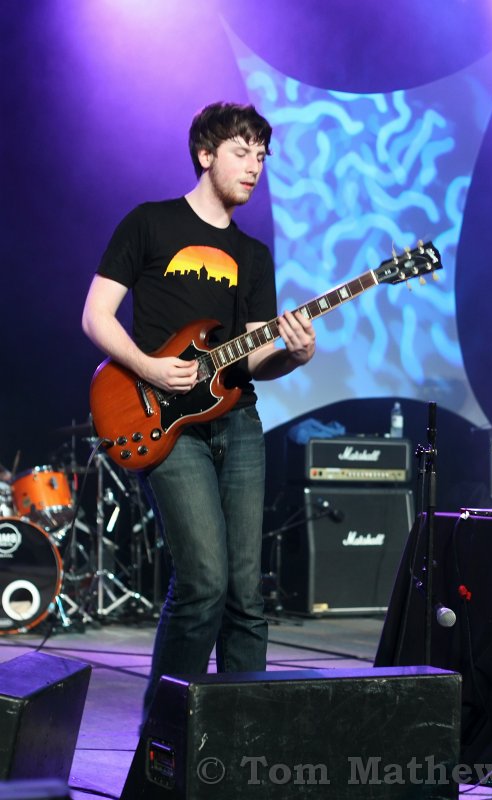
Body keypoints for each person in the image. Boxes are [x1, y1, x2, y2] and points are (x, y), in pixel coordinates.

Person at [81, 101, 316, 719]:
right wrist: (149, 367)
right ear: (206, 155)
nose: (255, 166)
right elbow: (95, 316)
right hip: (164, 421)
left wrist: (293, 356)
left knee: (246, 595)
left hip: (238, 423)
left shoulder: (254, 256)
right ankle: (164, 741)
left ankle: (242, 741)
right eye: (242, 152)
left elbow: (255, 357)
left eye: (261, 155)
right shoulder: (149, 224)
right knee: (204, 583)